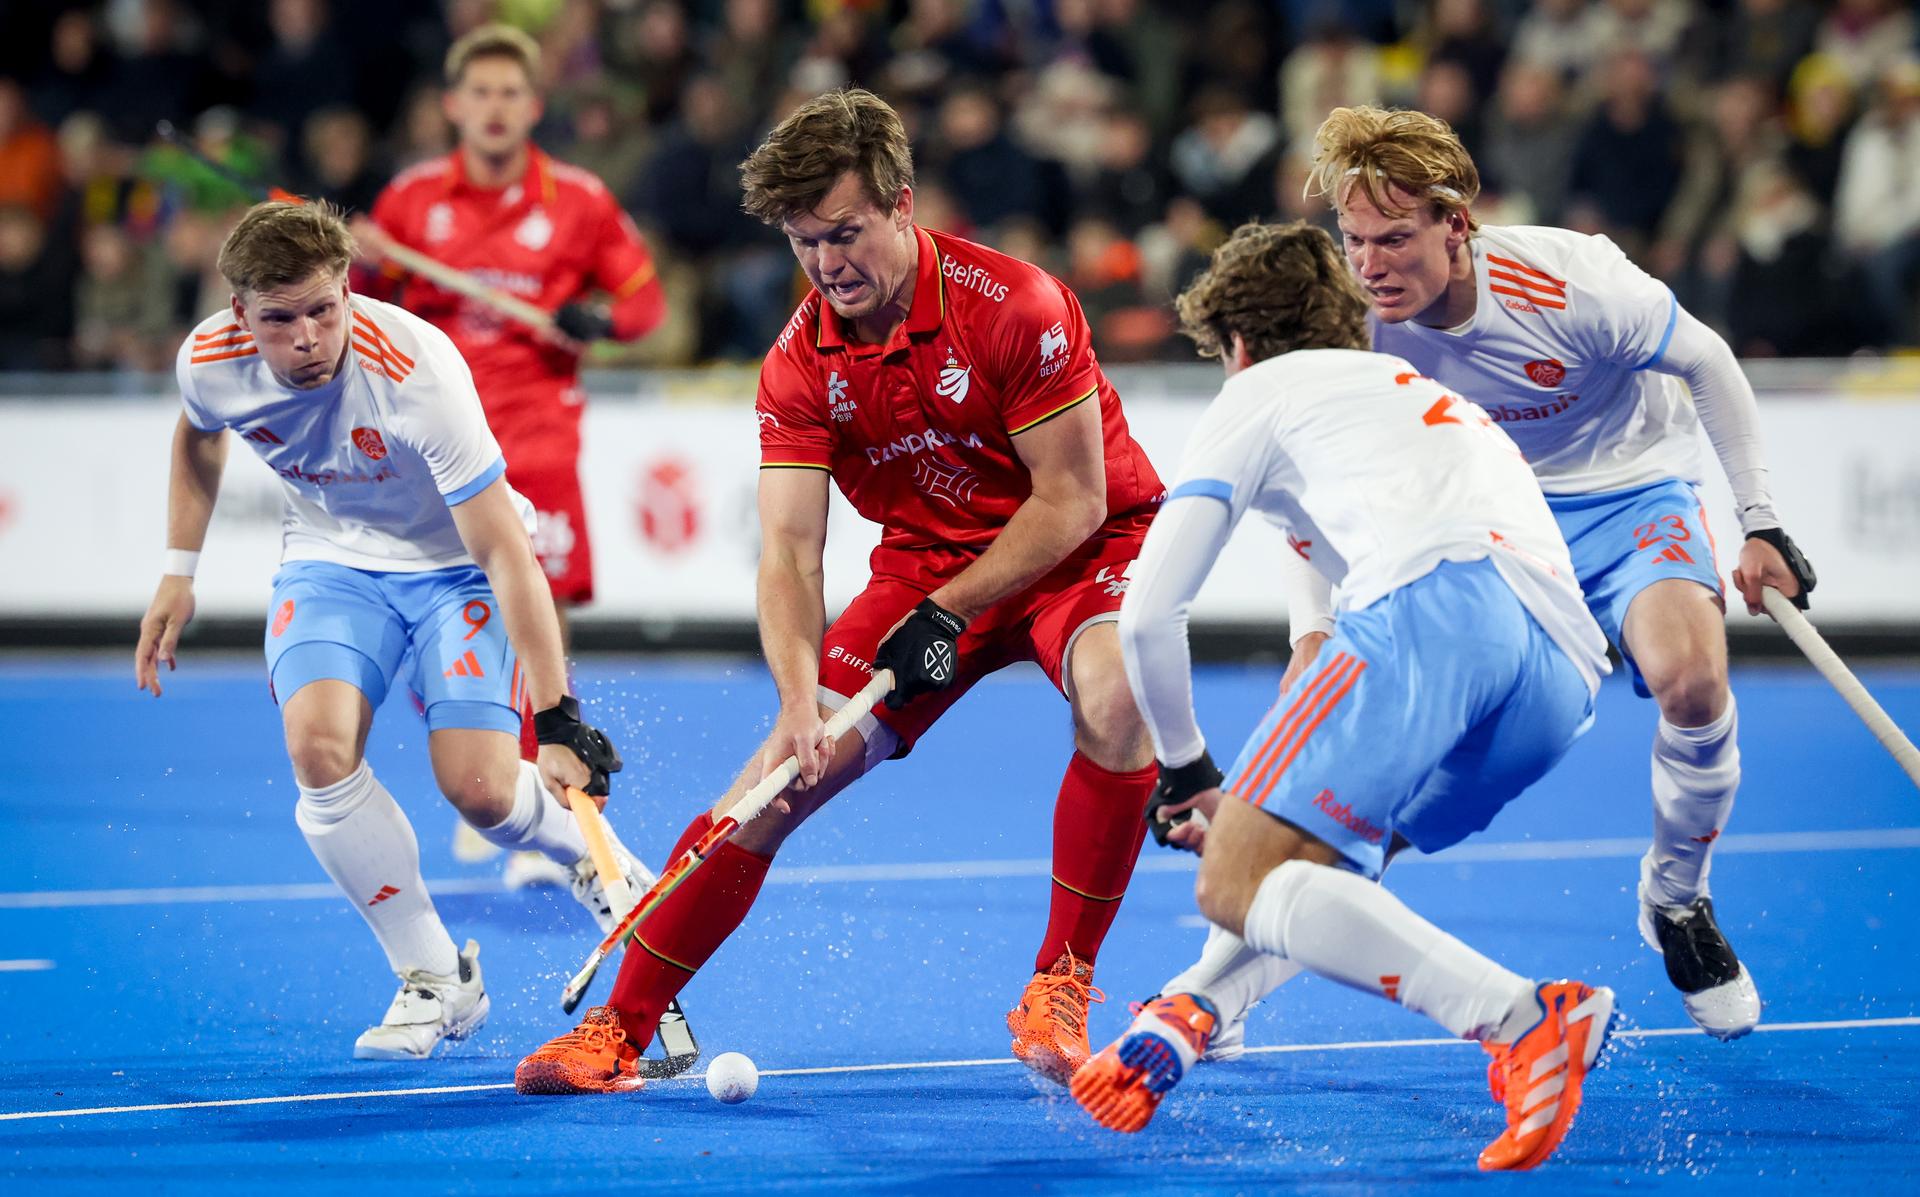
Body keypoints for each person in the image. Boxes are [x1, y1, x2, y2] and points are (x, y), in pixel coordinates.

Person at [514, 88, 1166, 1095]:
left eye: (847, 234)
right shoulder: (799, 364)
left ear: (905, 204)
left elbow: (1073, 500)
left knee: (1121, 696)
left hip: (1081, 553)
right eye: (804, 242)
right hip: (923, 570)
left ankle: (1061, 982)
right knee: (774, 784)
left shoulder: (1018, 306)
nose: (827, 265)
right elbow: (787, 554)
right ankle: (618, 1032)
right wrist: (791, 702)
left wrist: (952, 612)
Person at [1070, 220, 1617, 1172]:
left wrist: (1188, 768)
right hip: (1560, 672)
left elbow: (1150, 615)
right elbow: (1319, 577)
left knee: (1232, 876)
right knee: (1322, 866)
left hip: (1438, 606)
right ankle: (1197, 1006)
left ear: (1236, 345)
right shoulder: (1408, 396)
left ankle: (1528, 1018)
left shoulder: (1262, 392)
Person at [1289, 105, 1815, 1038]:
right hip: (1486, 515)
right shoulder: (1350, 324)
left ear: (1457, 222)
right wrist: (1311, 627)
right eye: (1354, 238)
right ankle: (1236, 968)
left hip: (1630, 487)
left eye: (1396, 238)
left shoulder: (1571, 280)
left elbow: (1708, 360)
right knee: (1411, 779)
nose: (1370, 266)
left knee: (1691, 683)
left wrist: (1761, 520)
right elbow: (1312, 495)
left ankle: (1677, 899)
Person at [134, 201, 641, 1061]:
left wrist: (557, 721)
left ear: (347, 290)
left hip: (456, 566)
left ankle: (599, 861)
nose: (307, 337)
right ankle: (438, 978)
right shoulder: (210, 361)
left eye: (324, 308)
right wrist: (179, 567)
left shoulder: (415, 370)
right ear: (238, 315)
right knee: (317, 750)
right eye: (280, 318)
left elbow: (506, 551)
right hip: (331, 560)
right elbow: (199, 435)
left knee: (481, 791)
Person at [354, 23, 667, 882]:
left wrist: (596, 320)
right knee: (446, 612)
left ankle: (542, 787)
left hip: (536, 430)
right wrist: (362, 265)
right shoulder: (410, 203)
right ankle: (490, 771)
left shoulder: (581, 200)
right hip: (436, 442)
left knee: (545, 606)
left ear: (533, 106)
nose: (494, 109)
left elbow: (646, 304)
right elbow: (358, 307)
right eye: (478, 94)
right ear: (453, 106)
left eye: (509, 95)